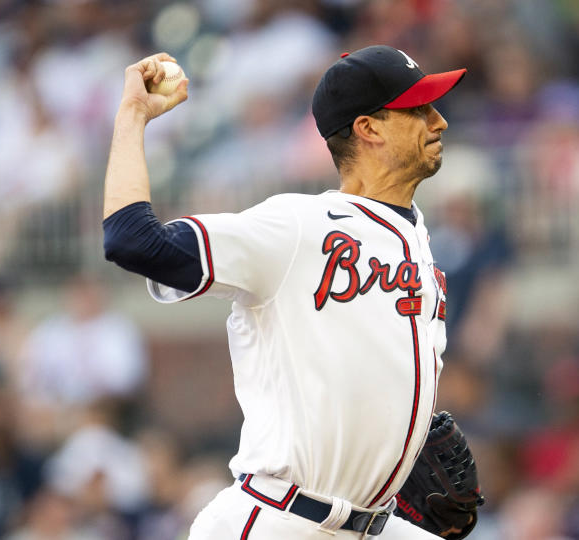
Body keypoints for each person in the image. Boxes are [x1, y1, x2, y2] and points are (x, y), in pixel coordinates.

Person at [102, 46, 468, 539]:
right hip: (281, 519)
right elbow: (134, 241)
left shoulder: (418, 240)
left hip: (372, 526)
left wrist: (395, 460)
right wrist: (132, 116)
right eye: (419, 109)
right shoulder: (299, 227)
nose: (439, 121)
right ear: (369, 128)